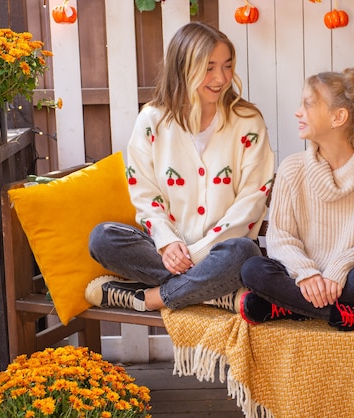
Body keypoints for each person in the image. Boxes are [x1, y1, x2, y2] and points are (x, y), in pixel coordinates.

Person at [85, 22, 274, 313]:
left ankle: (153, 298)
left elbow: (252, 200)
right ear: (183, 67)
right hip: (167, 250)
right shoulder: (152, 120)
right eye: (209, 68)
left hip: (223, 252)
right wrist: (167, 243)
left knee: (243, 252)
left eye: (226, 66)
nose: (221, 78)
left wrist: (198, 254)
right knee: (102, 238)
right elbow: (145, 194)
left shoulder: (248, 122)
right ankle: (212, 293)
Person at [240, 68, 354, 331]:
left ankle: (285, 306)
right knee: (253, 268)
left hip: (347, 279)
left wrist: (337, 270)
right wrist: (307, 273)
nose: (298, 112)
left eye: (308, 104)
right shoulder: (291, 168)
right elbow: (280, 238)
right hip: (298, 276)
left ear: (338, 117)